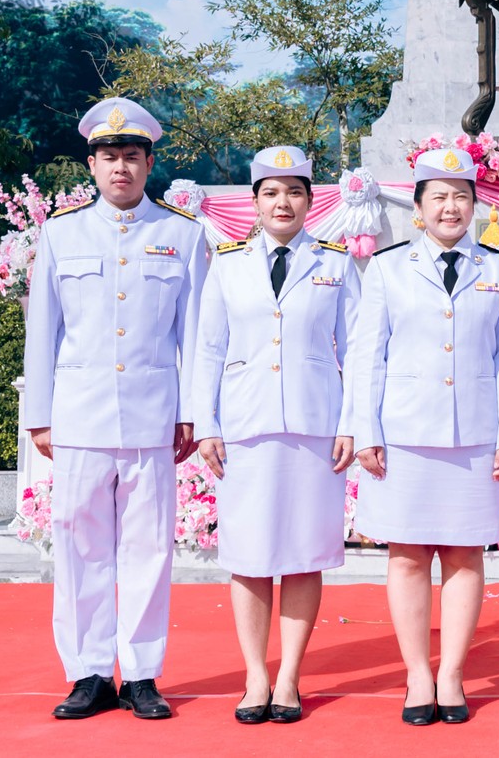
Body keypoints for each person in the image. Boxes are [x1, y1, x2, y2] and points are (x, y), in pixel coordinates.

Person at [22, 97, 207, 721]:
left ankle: (143, 674)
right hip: (80, 416)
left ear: (149, 162)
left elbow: (198, 335)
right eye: (109, 157)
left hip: (155, 416)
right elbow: (42, 332)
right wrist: (41, 415)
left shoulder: (182, 235)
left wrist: (194, 414)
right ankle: (89, 673)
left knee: (149, 549)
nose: (120, 167)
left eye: (131, 156)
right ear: (92, 165)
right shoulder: (60, 233)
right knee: (79, 545)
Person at [344, 146, 499, 725]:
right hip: (403, 434)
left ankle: (451, 674)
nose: (451, 207)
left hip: (474, 434)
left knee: (467, 555)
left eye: (461, 196)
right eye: (439, 197)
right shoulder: (389, 267)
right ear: (419, 207)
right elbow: (367, 355)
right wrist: (365, 429)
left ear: (475, 204)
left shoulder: (498, 268)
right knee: (406, 557)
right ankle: (418, 673)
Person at [190, 147, 361, 725]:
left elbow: (358, 351)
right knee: (250, 555)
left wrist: (353, 425)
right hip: (246, 428)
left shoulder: (336, 264)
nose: (282, 202)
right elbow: (207, 349)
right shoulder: (228, 263)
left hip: (316, 429)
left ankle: (289, 675)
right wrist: (206, 424)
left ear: (311, 201)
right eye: (271, 192)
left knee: (304, 555)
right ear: (255, 201)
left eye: (294, 191)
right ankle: (255, 675)